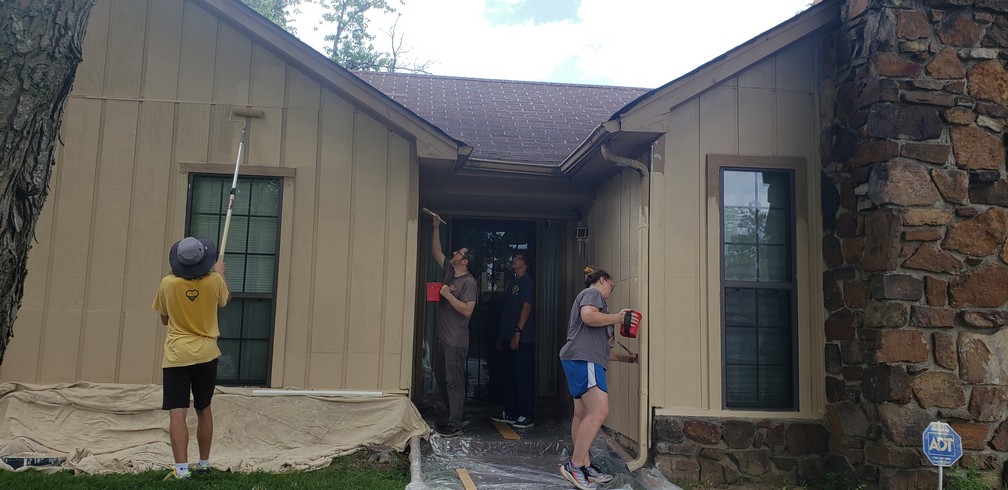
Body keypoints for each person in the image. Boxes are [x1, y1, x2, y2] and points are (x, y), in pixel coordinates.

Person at [152, 237, 231, 479]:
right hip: (206, 354)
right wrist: (220, 274)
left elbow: (164, 319)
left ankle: (182, 470)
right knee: (204, 408)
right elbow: (225, 300)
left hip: (177, 355)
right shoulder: (214, 281)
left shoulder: (167, 284)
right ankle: (204, 464)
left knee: (178, 412)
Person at [558, 266, 639, 490]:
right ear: (603, 280)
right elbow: (588, 316)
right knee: (600, 411)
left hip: (578, 359)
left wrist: (623, 358)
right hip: (585, 360)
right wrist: (619, 318)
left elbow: (597, 346)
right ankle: (575, 465)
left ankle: (584, 465)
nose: (611, 291)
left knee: (582, 413)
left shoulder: (595, 304)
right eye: (612, 285)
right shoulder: (593, 293)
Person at [430, 214, 478, 437]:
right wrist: (435, 228)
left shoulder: (469, 282)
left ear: (465, 261)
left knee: (454, 381)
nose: (454, 253)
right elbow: (436, 253)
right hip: (442, 337)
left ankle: (455, 422)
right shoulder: (450, 272)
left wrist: (448, 295)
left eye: (459, 252)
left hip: (456, 341)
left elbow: (468, 310)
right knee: (442, 378)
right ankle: (452, 415)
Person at [491, 251, 535, 429]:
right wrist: (502, 336)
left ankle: (526, 414)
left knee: (522, 376)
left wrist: (518, 331)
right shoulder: (513, 282)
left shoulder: (527, 281)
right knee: (509, 375)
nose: (514, 260)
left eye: (518, 258)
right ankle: (510, 411)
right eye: (514, 258)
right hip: (508, 336)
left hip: (521, 339)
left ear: (525, 264)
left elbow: (526, 307)